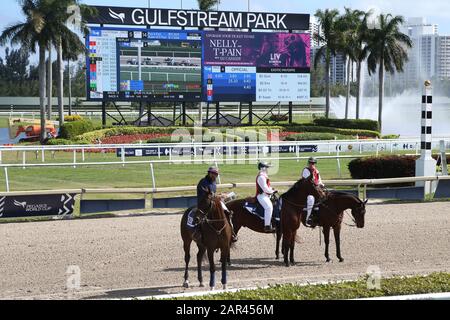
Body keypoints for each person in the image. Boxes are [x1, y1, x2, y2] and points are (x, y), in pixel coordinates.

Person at [195, 166, 237, 242]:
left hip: (213, 202)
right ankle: (197, 233)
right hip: (204, 203)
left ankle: (232, 233)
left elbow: (213, 193)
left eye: (217, 174)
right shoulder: (203, 182)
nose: (216, 176)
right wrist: (220, 196)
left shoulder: (213, 182)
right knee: (200, 218)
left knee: (227, 213)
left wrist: (221, 194)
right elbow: (208, 195)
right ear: (210, 173)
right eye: (214, 174)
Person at [301, 157, 324, 227]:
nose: (312, 164)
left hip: (316, 189)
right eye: (310, 163)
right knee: (311, 199)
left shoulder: (316, 171)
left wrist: (321, 185)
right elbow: (310, 182)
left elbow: (319, 180)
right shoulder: (306, 170)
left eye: (313, 163)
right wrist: (317, 186)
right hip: (307, 190)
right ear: (308, 163)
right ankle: (307, 218)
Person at [256, 161, 277, 233]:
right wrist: (272, 191)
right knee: (269, 207)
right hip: (262, 196)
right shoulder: (261, 177)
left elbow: (267, 187)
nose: (268, 169)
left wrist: (272, 189)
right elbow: (265, 188)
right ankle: (267, 226)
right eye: (267, 167)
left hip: (266, 195)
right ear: (263, 168)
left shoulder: (264, 176)